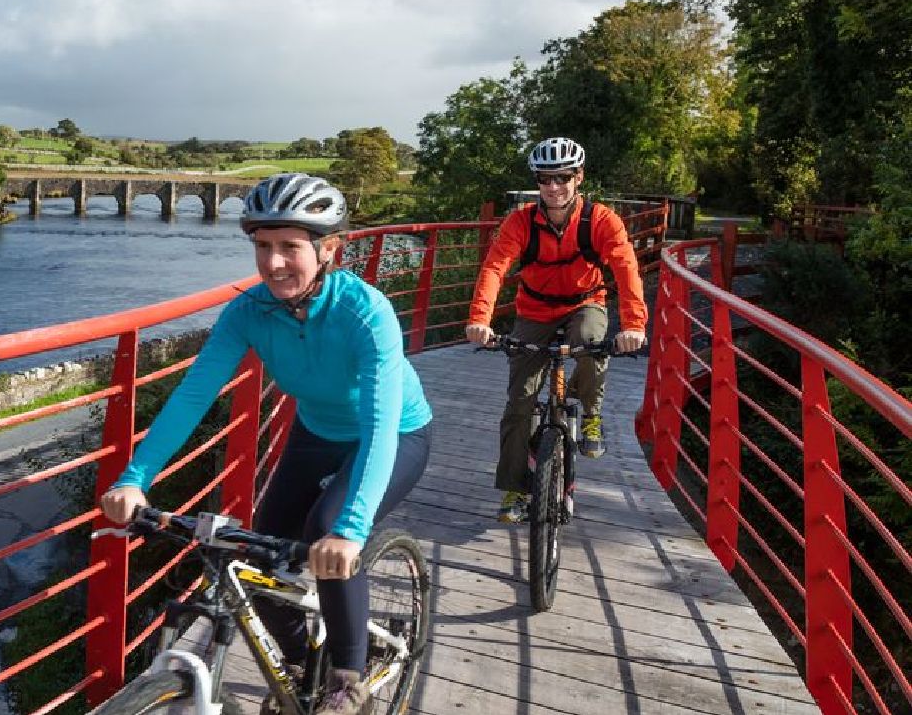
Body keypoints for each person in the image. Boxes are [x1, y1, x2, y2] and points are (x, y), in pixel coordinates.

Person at [99, 173, 433, 715]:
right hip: (317, 432)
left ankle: (348, 680)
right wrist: (136, 477)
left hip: (396, 434)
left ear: (329, 249)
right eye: (262, 247)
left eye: (289, 248)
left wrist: (350, 531)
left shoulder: (365, 314)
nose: (273, 263)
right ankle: (304, 664)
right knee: (254, 556)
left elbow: (378, 422)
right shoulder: (249, 311)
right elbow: (192, 397)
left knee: (327, 531)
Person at [463, 137, 647, 524]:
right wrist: (480, 319)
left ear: (578, 178)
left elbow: (626, 269)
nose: (553, 187)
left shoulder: (600, 221)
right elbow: (495, 268)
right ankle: (514, 487)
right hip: (534, 311)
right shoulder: (520, 222)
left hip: (585, 304)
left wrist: (633, 326)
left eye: (562, 177)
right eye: (545, 179)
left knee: (592, 341)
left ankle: (591, 413)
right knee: (520, 403)